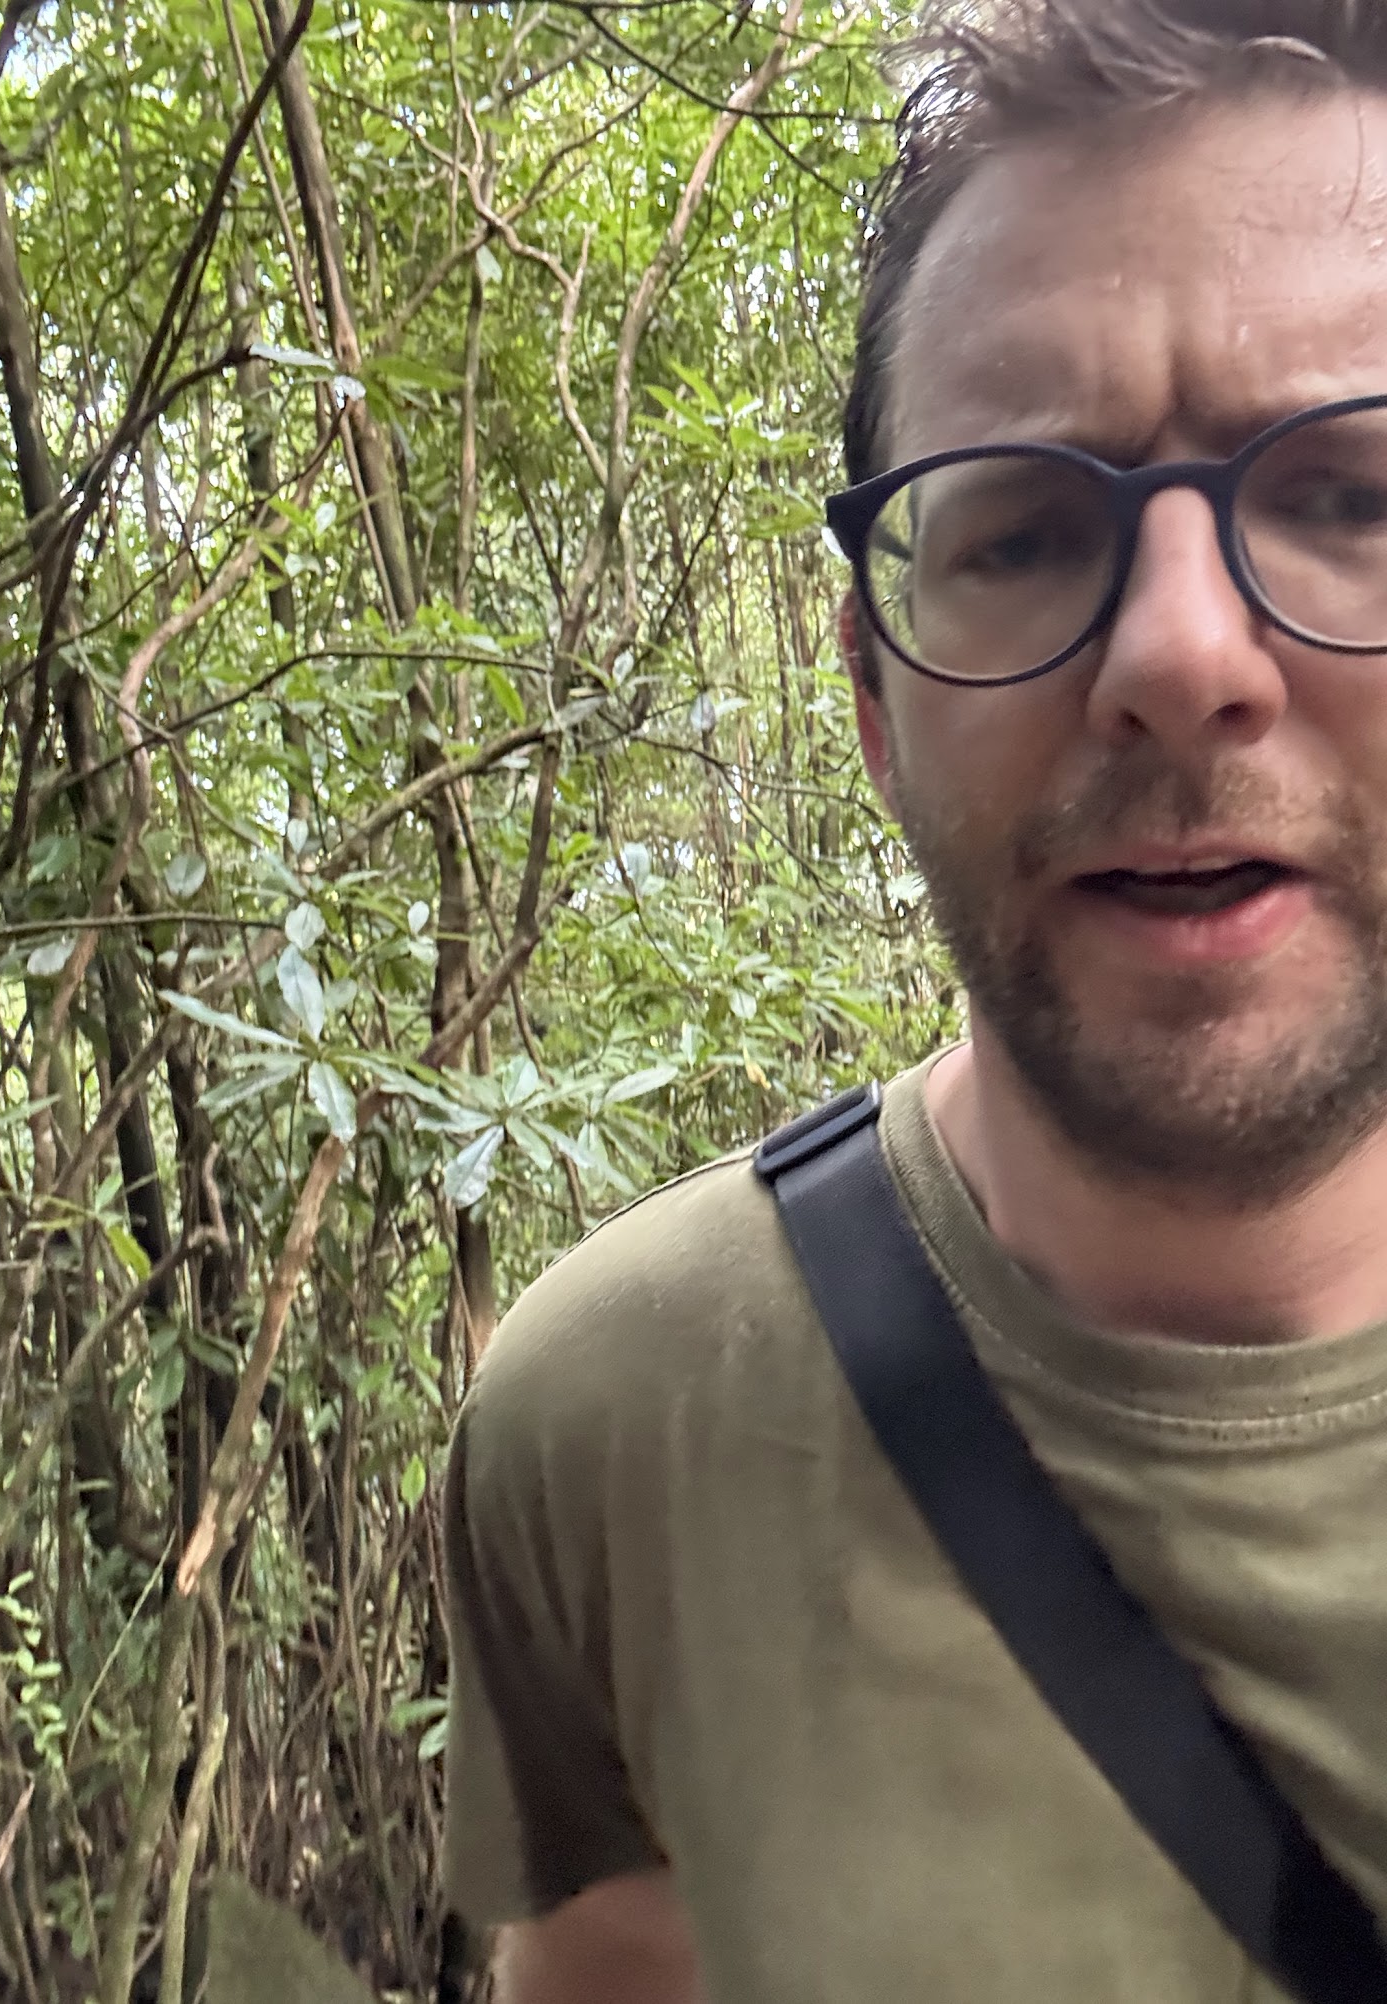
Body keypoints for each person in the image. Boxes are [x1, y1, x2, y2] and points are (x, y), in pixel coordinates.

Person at [439, 2, 1387, 1997]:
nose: (1177, 655)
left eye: (1347, 496)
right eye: (1024, 534)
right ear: (869, 701)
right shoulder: (613, 1426)